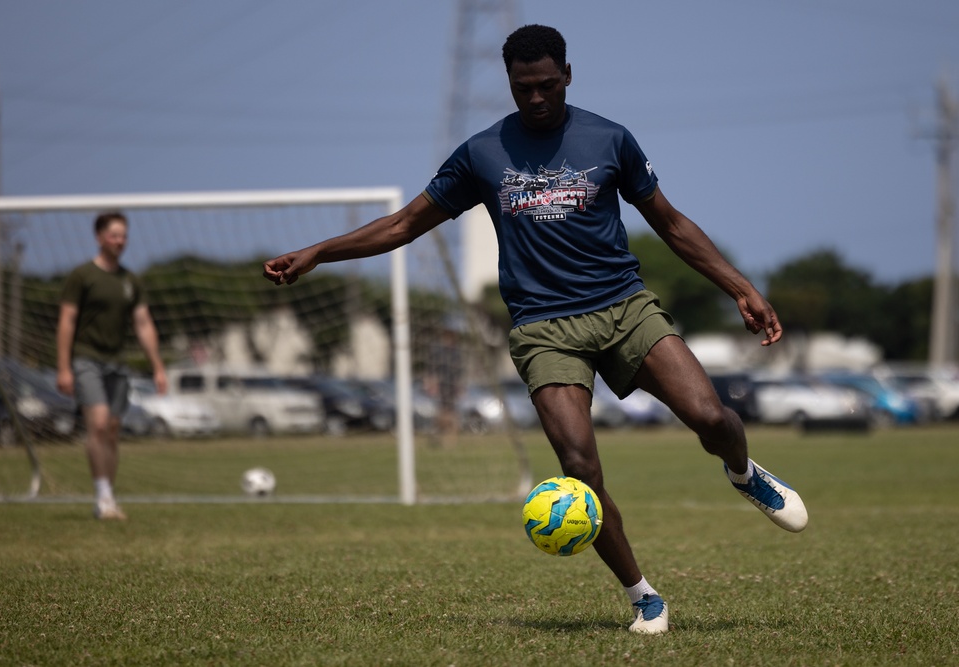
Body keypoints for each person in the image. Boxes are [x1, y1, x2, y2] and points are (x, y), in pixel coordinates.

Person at [263, 24, 807, 635]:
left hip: (623, 305)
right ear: (510, 85)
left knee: (712, 417)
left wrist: (741, 287)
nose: (538, 98)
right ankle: (642, 596)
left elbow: (672, 224)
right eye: (525, 88)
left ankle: (743, 472)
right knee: (580, 467)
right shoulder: (482, 153)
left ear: (568, 76)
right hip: (544, 327)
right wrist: (319, 251)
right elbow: (403, 225)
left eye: (548, 85)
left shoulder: (609, 138)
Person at [56, 212, 167, 521]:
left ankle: (108, 495)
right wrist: (63, 367)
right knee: (100, 424)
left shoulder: (130, 281)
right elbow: (67, 320)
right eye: (114, 235)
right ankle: (103, 496)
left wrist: (157, 366)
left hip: (117, 362)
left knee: (114, 430)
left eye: (124, 236)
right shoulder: (83, 276)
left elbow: (143, 323)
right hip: (86, 357)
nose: (120, 241)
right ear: (99, 237)